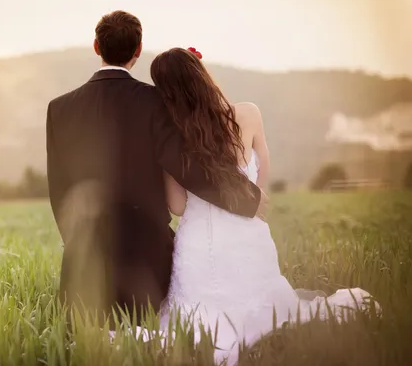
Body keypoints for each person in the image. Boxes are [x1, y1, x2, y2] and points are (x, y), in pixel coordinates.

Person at [151, 47, 379, 365]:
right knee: (269, 306)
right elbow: (261, 185)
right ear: (202, 76)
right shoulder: (248, 113)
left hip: (198, 249)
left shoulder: (172, 140)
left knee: (189, 320)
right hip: (248, 237)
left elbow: (176, 206)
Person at [46, 11, 267, 328]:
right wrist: (246, 197)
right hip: (147, 260)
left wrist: (79, 245)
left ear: (96, 46)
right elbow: (187, 167)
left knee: (85, 342)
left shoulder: (59, 109)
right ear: (138, 50)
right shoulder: (154, 101)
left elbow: (59, 188)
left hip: (85, 264)